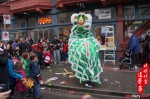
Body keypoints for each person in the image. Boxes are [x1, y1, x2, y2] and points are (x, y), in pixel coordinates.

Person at [68, 13, 103, 87]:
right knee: (82, 59)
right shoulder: (75, 31)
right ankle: (86, 78)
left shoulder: (88, 33)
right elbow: (73, 37)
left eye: (82, 20)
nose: (81, 21)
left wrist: (93, 42)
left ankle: (90, 78)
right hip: (80, 46)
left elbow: (89, 35)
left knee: (92, 59)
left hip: (88, 47)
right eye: (79, 20)